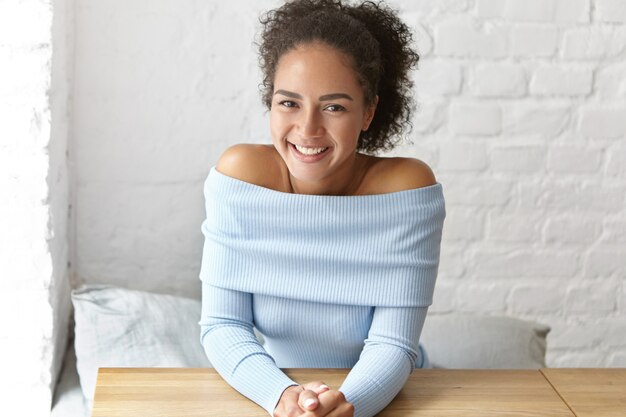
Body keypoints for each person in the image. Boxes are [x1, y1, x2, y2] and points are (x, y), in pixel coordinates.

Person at [198, 1, 445, 416]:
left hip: (389, 397)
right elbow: (224, 326)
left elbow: (393, 345)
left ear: (368, 112)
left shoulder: (407, 190)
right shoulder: (241, 179)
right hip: (275, 391)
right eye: (288, 103)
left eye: (334, 107)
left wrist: (345, 406)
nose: (308, 129)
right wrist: (285, 399)